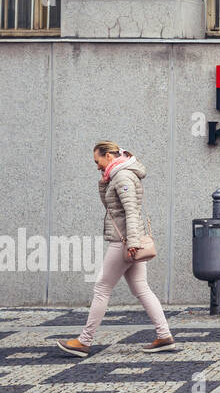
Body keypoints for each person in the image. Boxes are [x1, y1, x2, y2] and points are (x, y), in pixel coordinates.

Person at [58, 141, 175, 357]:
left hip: (123, 241)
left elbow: (131, 212)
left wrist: (132, 243)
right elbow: (112, 206)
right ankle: (164, 336)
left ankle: (84, 341)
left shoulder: (122, 177)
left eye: (98, 161)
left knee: (102, 288)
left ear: (109, 156)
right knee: (141, 288)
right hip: (129, 240)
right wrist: (104, 182)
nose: (97, 166)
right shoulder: (117, 174)